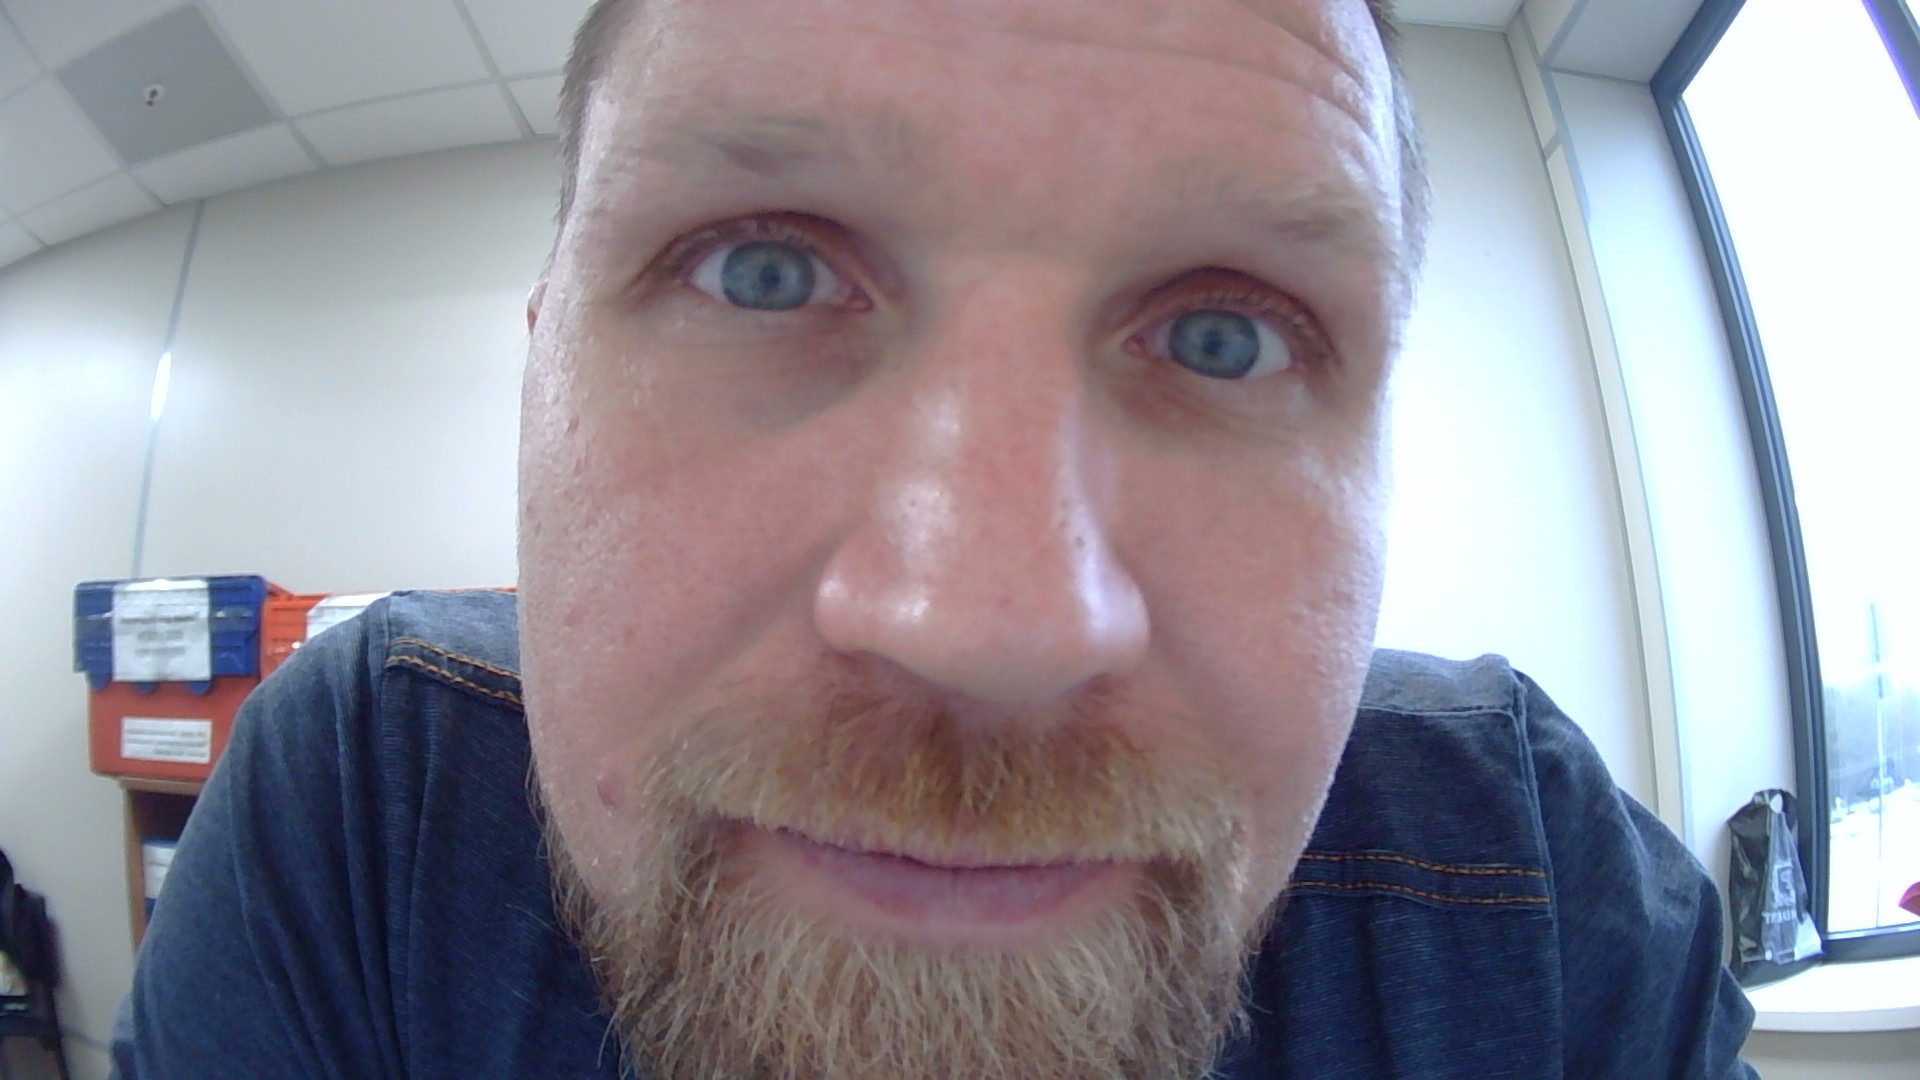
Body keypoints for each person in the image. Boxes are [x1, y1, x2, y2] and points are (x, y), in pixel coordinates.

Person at [113, 0, 1759, 1076]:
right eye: (763, 270)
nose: (988, 624)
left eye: (1226, 336)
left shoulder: (1530, 889)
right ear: (537, 375)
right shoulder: (371, 803)